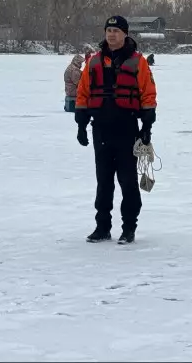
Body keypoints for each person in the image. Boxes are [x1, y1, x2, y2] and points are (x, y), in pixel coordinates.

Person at [75, 16, 157, 244]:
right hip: (100, 129)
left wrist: (147, 127)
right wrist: (81, 125)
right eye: (108, 30)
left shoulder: (138, 62)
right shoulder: (93, 63)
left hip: (127, 129)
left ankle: (128, 227)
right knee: (104, 182)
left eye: (116, 31)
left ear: (125, 34)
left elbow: (148, 94)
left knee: (128, 181)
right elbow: (83, 93)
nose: (111, 34)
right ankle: (102, 227)